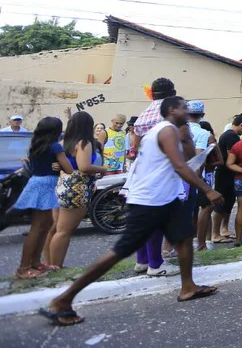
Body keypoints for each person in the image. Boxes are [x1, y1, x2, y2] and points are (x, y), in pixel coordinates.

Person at [39, 97, 223, 327]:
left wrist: (185, 133)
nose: (187, 111)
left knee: (185, 238)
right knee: (121, 249)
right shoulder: (165, 130)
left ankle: (188, 287)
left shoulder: (172, 131)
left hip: (166, 198)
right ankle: (63, 300)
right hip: (149, 200)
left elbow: (185, 156)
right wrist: (207, 190)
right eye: (183, 107)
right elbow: (180, 165)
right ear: (171, 110)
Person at [129, 78, 180, 276]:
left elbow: (135, 145)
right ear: (173, 92)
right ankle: (156, 264)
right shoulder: (170, 114)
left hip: (142, 170)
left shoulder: (143, 114)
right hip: (163, 171)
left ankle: (142, 260)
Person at [43, 111, 105, 271]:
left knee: (55, 228)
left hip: (61, 186)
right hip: (76, 190)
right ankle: (57, 267)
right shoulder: (84, 142)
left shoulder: (64, 141)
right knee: (64, 231)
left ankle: (49, 263)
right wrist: (101, 169)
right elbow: (84, 167)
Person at [13, 117, 68, 279]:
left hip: (38, 183)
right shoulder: (55, 146)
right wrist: (60, 164)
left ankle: (36, 263)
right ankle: (23, 268)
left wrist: (57, 164)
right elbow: (69, 169)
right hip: (45, 185)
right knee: (38, 227)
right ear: (56, 131)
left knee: (46, 224)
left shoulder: (37, 144)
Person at [185, 101, 218, 252]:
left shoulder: (177, 129)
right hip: (193, 176)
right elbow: (198, 159)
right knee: (206, 206)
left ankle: (178, 244)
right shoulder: (203, 134)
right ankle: (201, 243)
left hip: (175, 174)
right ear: (202, 115)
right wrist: (200, 181)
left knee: (186, 209)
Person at [214, 115, 242, 243]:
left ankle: (224, 229)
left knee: (228, 202)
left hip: (229, 174)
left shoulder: (231, 136)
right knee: (220, 203)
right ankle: (215, 233)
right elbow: (232, 157)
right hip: (224, 173)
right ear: (241, 125)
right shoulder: (230, 136)